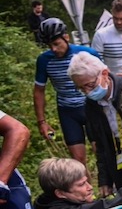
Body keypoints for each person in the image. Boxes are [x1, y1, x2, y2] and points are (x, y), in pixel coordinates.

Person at [33, 17, 100, 164]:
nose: (54, 49)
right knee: (78, 160)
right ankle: (84, 187)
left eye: (56, 44)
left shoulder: (87, 53)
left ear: (66, 37)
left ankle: (109, 186)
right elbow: (39, 90)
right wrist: (41, 122)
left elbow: (105, 80)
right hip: (68, 111)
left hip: (91, 107)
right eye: (49, 46)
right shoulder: (44, 60)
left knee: (100, 152)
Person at [66, 53, 122, 197]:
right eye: (81, 89)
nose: (88, 92)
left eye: (90, 85)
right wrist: (105, 180)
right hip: (120, 158)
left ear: (105, 74)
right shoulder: (91, 105)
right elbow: (101, 146)